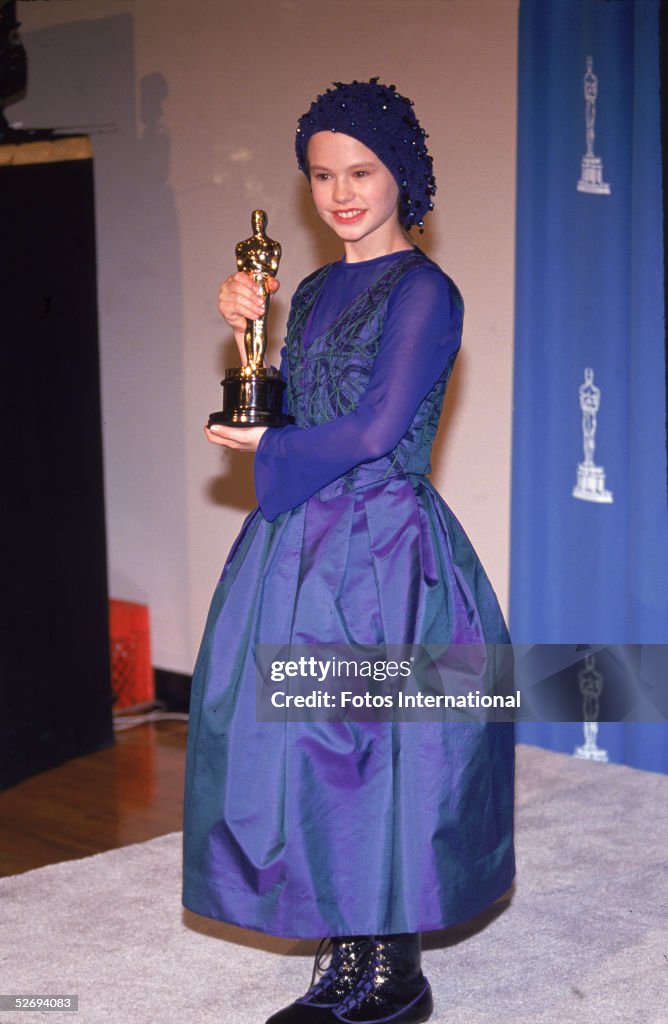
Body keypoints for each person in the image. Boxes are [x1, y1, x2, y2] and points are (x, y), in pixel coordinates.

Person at [182, 78, 515, 1024]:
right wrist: (249, 346)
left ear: (401, 174)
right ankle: (346, 948)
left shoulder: (426, 292)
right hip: (300, 547)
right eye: (323, 174)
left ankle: (393, 972)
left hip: (382, 550)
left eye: (361, 171)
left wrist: (269, 447)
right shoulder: (322, 286)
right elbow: (300, 402)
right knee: (307, 748)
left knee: (377, 750)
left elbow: (374, 429)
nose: (341, 192)